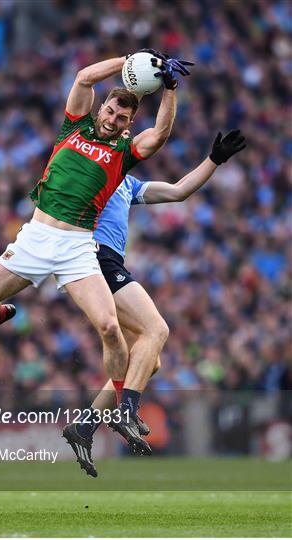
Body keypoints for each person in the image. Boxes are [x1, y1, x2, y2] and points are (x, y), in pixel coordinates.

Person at [0, 51, 191, 456]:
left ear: (128, 123)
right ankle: (1, 313)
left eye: (122, 118)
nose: (112, 120)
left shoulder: (123, 155)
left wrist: (170, 88)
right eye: (110, 111)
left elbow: (159, 135)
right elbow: (84, 76)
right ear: (101, 108)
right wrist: (133, 59)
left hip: (76, 248)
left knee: (109, 328)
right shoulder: (73, 127)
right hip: (34, 239)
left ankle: (123, 407)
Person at [64, 129, 246, 477]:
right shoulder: (91, 170)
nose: (126, 135)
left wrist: (214, 160)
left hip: (109, 262)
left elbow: (178, 191)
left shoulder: (127, 184)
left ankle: (84, 426)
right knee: (157, 328)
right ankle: (126, 411)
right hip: (94, 258)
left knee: (149, 361)